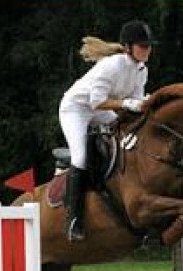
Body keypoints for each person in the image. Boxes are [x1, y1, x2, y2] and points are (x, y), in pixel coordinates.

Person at [59, 20, 157, 242]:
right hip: (77, 109)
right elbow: (96, 102)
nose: (147, 49)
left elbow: (137, 102)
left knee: (129, 139)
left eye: (149, 45)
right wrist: (126, 104)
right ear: (128, 47)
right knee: (81, 156)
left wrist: (145, 103)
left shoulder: (141, 70)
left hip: (105, 109)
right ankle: (73, 219)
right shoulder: (112, 65)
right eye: (143, 45)